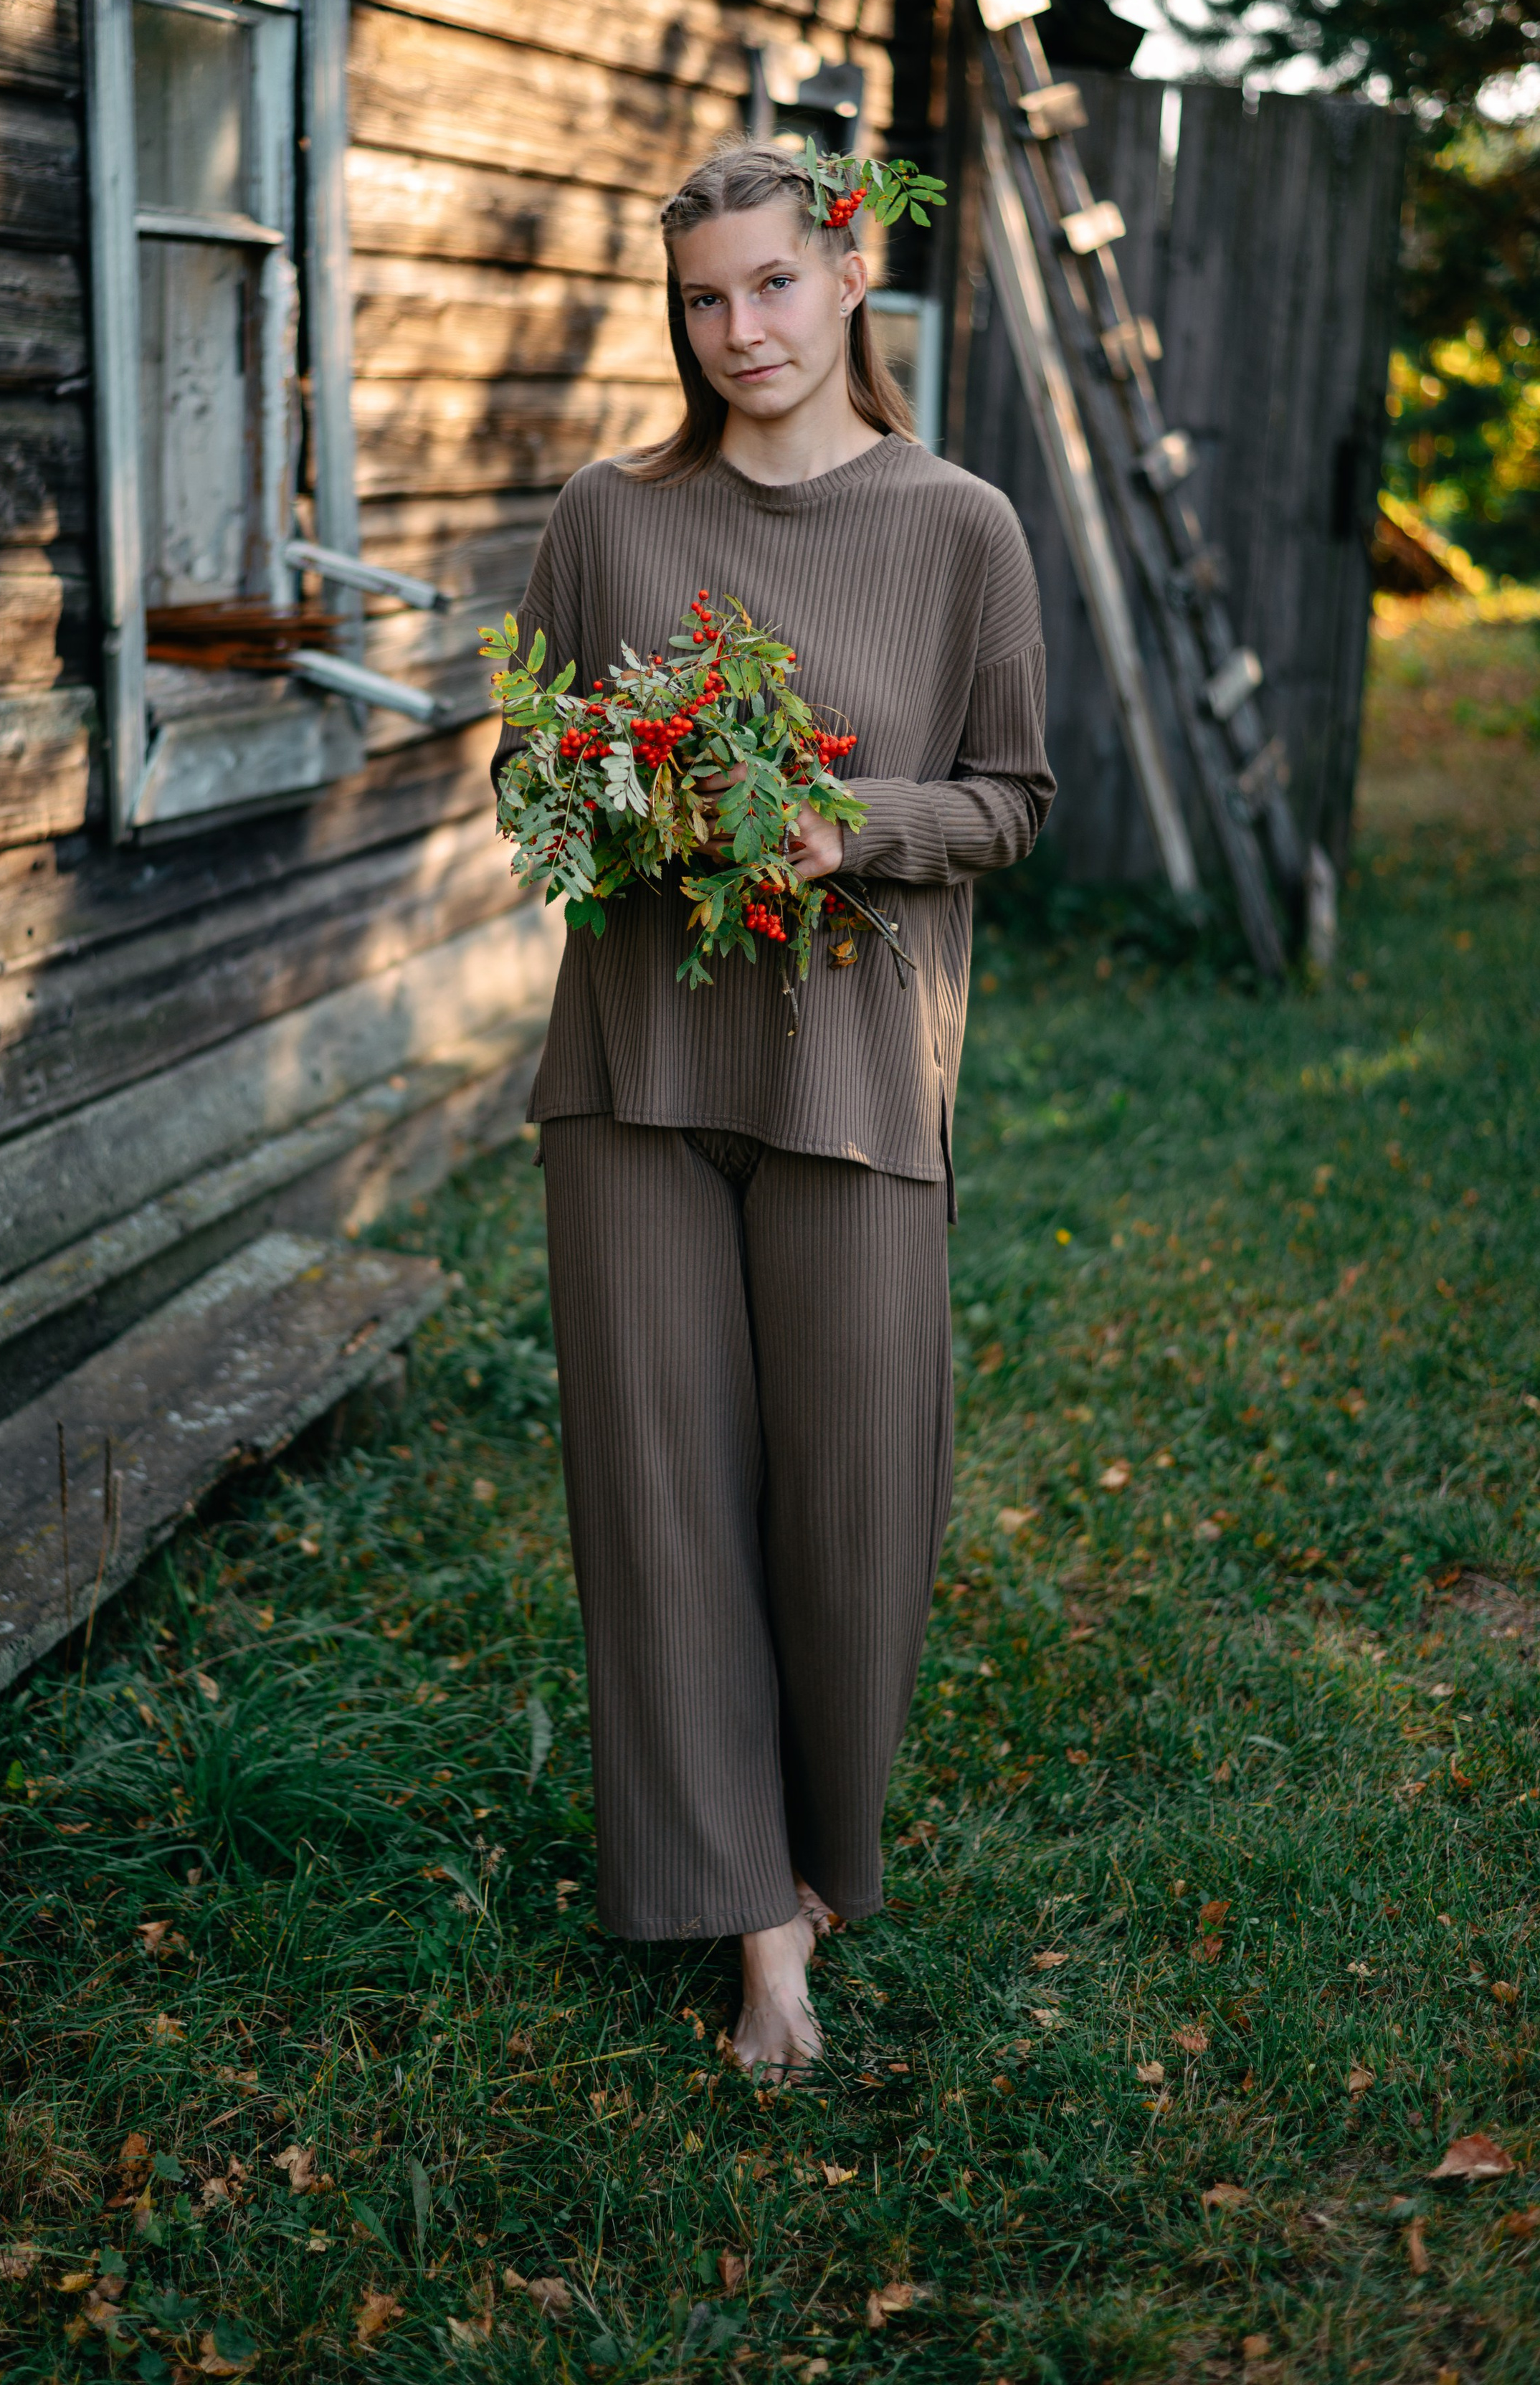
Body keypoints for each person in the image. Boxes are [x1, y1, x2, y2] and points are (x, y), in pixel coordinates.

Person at [493, 139, 1054, 2073]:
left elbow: (1012, 797)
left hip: (857, 1081)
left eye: (773, 288)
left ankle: (823, 1849)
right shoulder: (612, 516)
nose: (738, 331)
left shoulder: (965, 522)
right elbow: (534, 766)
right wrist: (613, 792)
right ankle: (752, 1921)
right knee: (658, 1502)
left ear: (851, 282)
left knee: (854, 1506)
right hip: (639, 1073)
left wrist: (852, 825)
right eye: (704, 299)